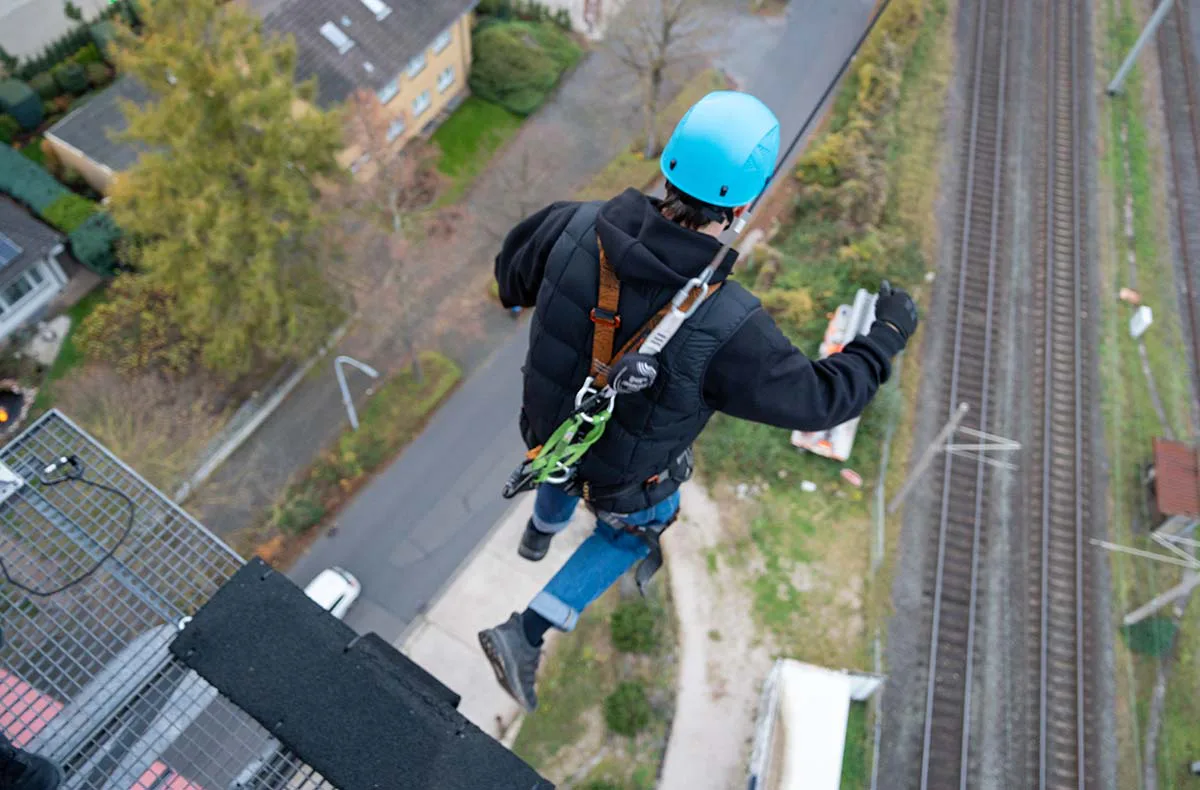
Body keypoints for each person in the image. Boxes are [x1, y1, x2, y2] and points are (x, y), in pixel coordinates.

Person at [478, 91, 919, 711]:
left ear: (669, 164)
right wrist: (885, 338)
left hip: (548, 429)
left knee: (562, 457)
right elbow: (823, 400)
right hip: (624, 478)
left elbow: (510, 280)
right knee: (639, 527)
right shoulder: (726, 323)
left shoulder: (574, 223)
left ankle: (539, 530)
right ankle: (524, 633)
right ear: (741, 204)